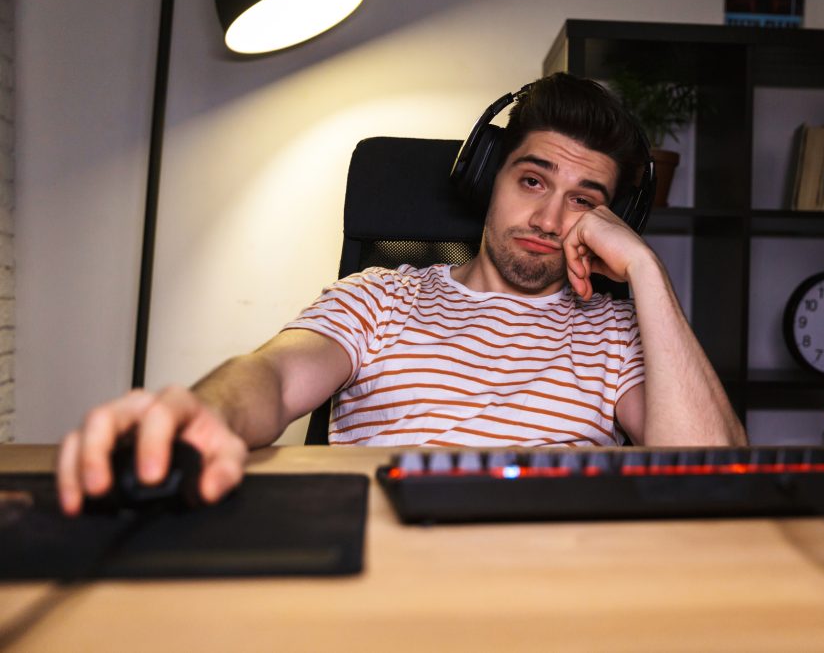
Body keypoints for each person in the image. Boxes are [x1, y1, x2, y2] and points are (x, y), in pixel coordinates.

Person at [56, 73, 747, 516]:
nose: (547, 219)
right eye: (532, 181)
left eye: (583, 202)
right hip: (383, 575)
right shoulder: (381, 295)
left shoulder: (614, 332)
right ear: (487, 178)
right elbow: (270, 376)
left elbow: (714, 470)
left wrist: (645, 270)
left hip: (552, 587)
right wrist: (207, 412)